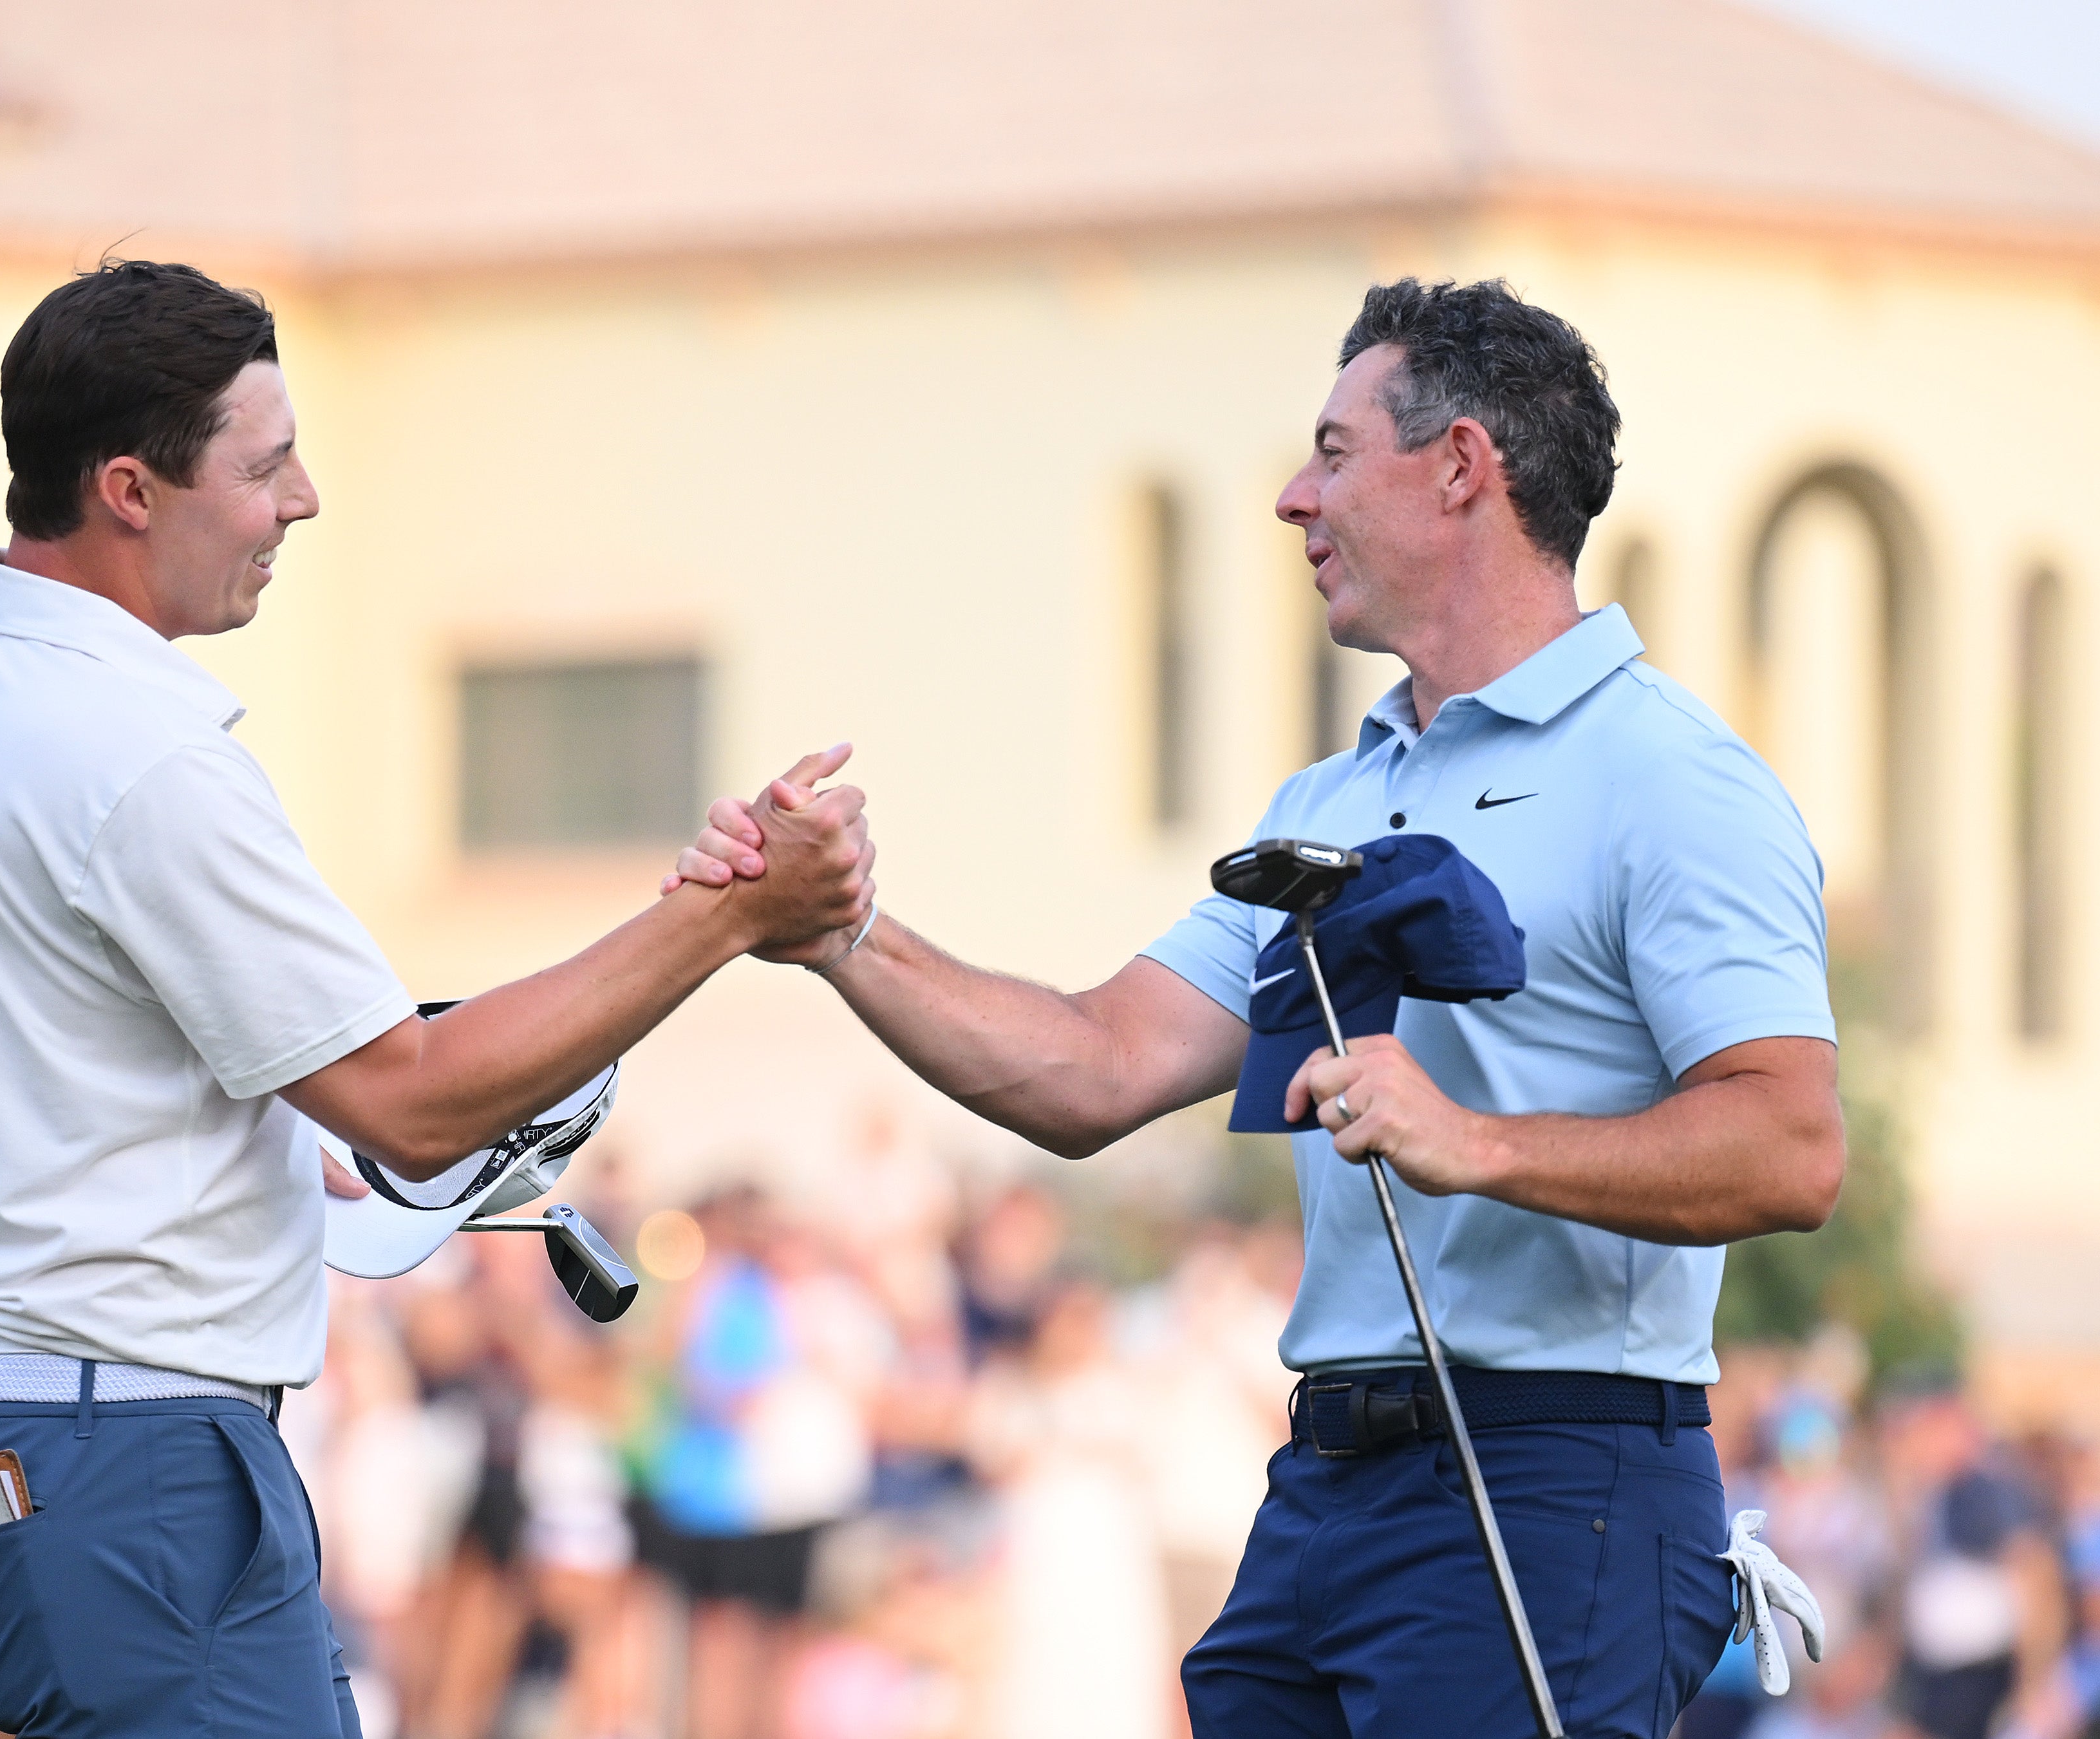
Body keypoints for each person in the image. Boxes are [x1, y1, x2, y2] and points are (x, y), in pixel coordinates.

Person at [671, 277, 1845, 1735]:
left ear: (1464, 466)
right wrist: (834, 927)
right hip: (1326, 1490)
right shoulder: (1330, 802)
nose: (1294, 498)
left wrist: (1474, 1140)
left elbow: (1791, 1147)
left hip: (1552, 1483)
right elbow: (1094, 1068)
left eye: (1335, 452)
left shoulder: (1673, 777)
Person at [0, 258, 874, 1738]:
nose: (303, 497)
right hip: (135, 1458)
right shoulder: (144, 753)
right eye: (267, 462)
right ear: (128, 488)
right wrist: (731, 914)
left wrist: (155, 1127)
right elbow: (413, 1106)